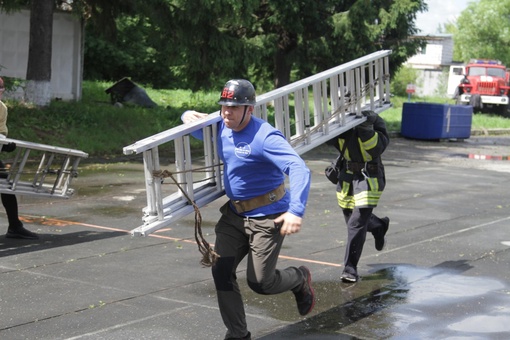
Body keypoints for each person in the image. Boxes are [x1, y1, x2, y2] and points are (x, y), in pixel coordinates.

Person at [181, 79, 315, 340]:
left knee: (261, 283)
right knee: (221, 271)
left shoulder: (265, 137)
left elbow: (299, 168)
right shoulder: (221, 126)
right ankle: (238, 334)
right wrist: (185, 114)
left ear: (249, 109)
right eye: (223, 106)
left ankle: (299, 279)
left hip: (268, 217)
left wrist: (296, 211)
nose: (226, 113)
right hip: (234, 216)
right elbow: (191, 127)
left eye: (233, 107)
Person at [327, 110, 390, 283]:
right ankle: (378, 226)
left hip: (368, 178)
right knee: (352, 221)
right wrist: (334, 121)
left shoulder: (376, 121)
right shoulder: (340, 121)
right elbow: (330, 140)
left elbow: (376, 148)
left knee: (356, 223)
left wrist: (366, 126)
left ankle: (350, 269)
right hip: (346, 177)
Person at [0, 77, 38, 239]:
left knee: (6, 185)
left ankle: (15, 226)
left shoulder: (1, 108)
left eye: (1, 89)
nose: (0, 92)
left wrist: (4, 144)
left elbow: (1, 132)